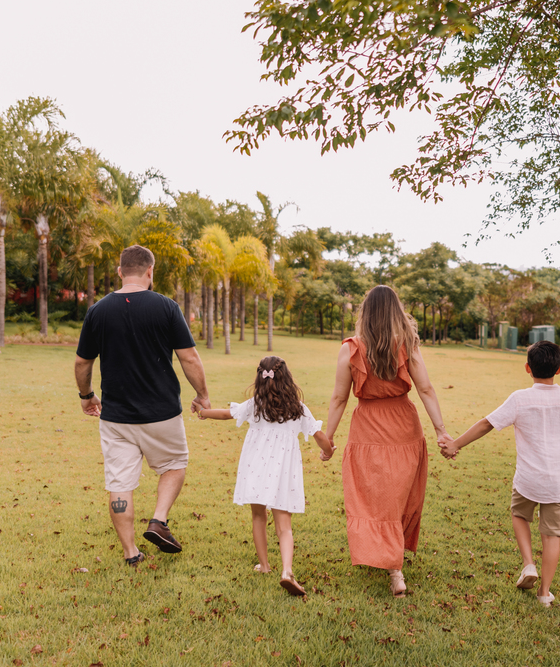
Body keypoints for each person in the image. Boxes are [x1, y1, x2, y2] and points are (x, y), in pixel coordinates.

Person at [74, 245, 211, 566]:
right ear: (151, 272)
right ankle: (158, 520)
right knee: (174, 464)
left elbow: (82, 362)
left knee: (120, 483)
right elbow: (189, 356)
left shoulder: (97, 311)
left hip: (116, 416)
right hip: (162, 413)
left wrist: (86, 396)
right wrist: (202, 395)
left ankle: (131, 553)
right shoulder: (167, 307)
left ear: (120, 272)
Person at [440, 340, 560, 606]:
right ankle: (544, 593)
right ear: (559, 370)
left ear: (527, 368)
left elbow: (487, 423)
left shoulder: (520, 398)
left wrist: (455, 445)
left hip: (528, 480)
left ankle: (528, 563)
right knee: (551, 535)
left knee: (519, 514)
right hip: (559, 482)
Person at [323, 285, 450, 598]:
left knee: (376, 496)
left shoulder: (351, 348)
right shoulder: (408, 344)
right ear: (397, 311)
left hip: (368, 428)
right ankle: (393, 564)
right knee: (395, 496)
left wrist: (328, 437)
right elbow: (426, 390)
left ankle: (394, 566)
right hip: (404, 427)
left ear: (364, 312)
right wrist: (440, 430)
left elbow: (339, 398)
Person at [196, 355, 333, 597]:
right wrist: (328, 450)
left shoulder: (256, 404)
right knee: (284, 524)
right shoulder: (298, 409)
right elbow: (319, 434)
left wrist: (204, 413)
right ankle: (287, 571)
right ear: (287, 379)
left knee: (258, 516)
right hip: (283, 471)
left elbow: (228, 414)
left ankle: (265, 566)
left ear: (260, 378)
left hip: (255, 468)